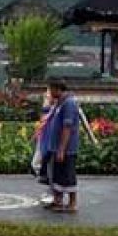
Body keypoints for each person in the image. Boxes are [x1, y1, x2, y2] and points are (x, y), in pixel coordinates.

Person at [42, 78, 80, 213]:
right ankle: (57, 200)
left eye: (51, 89)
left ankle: (72, 203)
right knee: (57, 175)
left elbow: (67, 127)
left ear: (58, 89)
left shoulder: (69, 103)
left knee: (68, 175)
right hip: (55, 146)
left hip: (67, 148)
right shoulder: (59, 103)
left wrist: (62, 149)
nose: (49, 92)